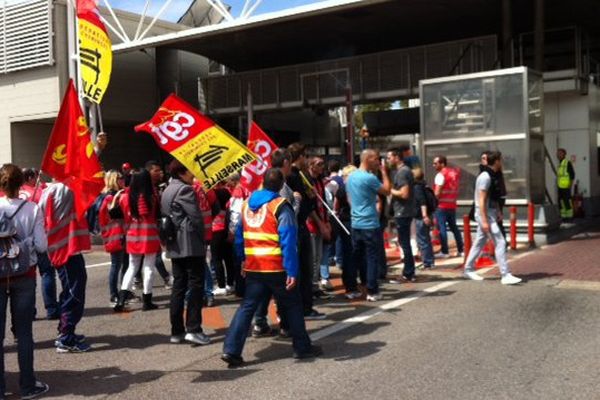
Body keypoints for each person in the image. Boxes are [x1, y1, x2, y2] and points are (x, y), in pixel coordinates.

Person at [221, 168, 321, 367]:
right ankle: (302, 348)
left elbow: (239, 236)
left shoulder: (247, 203)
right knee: (292, 305)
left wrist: (242, 260)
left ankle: (231, 350)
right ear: (281, 185)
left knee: (247, 307)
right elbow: (288, 240)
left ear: (263, 182)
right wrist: (292, 270)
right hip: (276, 267)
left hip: (254, 266)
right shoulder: (280, 206)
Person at [0, 164, 50, 398]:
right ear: (22, 183)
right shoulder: (32, 208)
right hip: (24, 274)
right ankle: (28, 386)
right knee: (24, 333)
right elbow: (41, 246)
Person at [161, 160, 211, 345]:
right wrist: (204, 238)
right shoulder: (185, 189)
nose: (193, 174)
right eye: (190, 170)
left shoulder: (167, 189)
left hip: (174, 243)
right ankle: (194, 328)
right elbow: (196, 218)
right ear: (182, 172)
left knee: (179, 287)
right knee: (196, 285)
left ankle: (177, 331)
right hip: (189, 242)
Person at [39, 182, 92, 353]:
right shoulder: (61, 190)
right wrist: (93, 154)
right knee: (73, 294)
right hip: (65, 250)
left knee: (70, 291)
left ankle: (65, 330)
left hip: (64, 248)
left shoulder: (48, 190)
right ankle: (66, 338)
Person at [252, 148, 300, 337]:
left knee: (258, 296)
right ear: (286, 163)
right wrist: (296, 202)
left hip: (256, 255)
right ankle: (289, 328)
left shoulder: (253, 198)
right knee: (285, 294)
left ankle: (260, 323)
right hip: (275, 252)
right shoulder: (283, 193)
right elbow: (287, 224)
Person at [463, 152, 522, 285]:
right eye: (500, 160)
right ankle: (505, 274)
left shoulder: (490, 175)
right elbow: (482, 200)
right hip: (485, 214)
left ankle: (468, 269)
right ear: (495, 161)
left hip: (488, 213)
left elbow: (492, 197)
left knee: (479, 241)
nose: (501, 162)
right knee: (500, 242)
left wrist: (498, 211)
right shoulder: (485, 177)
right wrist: (484, 220)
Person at [286, 143, 327, 319]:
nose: (307, 159)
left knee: (307, 268)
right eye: (305, 156)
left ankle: (305, 306)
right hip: (297, 227)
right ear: (300, 157)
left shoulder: (302, 176)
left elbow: (310, 202)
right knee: (303, 269)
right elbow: (297, 204)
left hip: (302, 225)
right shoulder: (292, 177)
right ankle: (302, 308)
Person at [346, 149, 391, 301]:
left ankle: (354, 287)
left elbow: (349, 199)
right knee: (372, 257)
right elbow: (387, 190)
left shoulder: (351, 177)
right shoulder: (369, 178)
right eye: (377, 159)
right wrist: (384, 172)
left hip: (355, 222)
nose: (378, 162)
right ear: (369, 159)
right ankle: (372, 290)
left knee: (356, 256)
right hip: (369, 223)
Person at [114, 169, 161, 312]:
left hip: (132, 235)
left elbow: (121, 216)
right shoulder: (152, 197)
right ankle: (147, 300)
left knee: (132, 267)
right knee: (148, 268)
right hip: (150, 235)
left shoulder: (125, 197)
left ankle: (121, 300)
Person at [387, 147, 416, 282]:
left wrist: (390, 190)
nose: (388, 160)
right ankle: (409, 272)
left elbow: (404, 193)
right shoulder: (404, 171)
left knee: (404, 242)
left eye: (389, 157)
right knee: (404, 242)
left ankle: (408, 273)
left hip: (403, 212)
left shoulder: (402, 172)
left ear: (396, 157)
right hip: (404, 211)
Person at [98, 170, 126, 305]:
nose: (123, 180)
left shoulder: (114, 195)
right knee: (116, 265)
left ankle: (123, 291)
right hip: (115, 235)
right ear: (114, 180)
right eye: (120, 178)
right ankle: (114, 294)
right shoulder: (110, 197)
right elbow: (115, 214)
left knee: (124, 264)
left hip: (120, 234)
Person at [145, 160, 172, 289]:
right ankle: (166, 278)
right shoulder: (146, 189)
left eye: (160, 170)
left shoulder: (156, 187)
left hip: (156, 224)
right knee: (153, 254)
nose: (159, 173)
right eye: (156, 170)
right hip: (148, 228)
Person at [432, 155, 464, 258]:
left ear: (442, 164)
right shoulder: (453, 173)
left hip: (441, 205)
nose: (433, 165)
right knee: (454, 227)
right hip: (452, 204)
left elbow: (437, 193)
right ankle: (461, 250)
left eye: (435, 163)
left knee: (442, 228)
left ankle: (445, 252)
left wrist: (431, 201)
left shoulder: (440, 175)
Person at [336, 165, 360, 298]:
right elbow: (352, 205)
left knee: (348, 254)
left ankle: (350, 284)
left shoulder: (342, 188)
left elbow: (336, 206)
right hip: (350, 222)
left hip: (345, 221)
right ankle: (351, 286)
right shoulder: (349, 188)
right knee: (351, 254)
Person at [412, 168, 435, 269]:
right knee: (426, 239)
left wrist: (424, 215)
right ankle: (429, 261)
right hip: (426, 214)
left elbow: (422, 202)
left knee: (422, 240)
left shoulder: (417, 187)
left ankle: (427, 263)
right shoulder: (424, 185)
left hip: (421, 216)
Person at [556, 148, 575, 222]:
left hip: (566, 186)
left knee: (567, 201)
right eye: (558, 153)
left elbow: (572, 175)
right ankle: (564, 216)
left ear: (564, 154)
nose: (558, 154)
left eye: (560, 153)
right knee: (561, 202)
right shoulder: (560, 163)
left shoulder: (567, 163)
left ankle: (570, 216)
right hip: (560, 186)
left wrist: (570, 185)